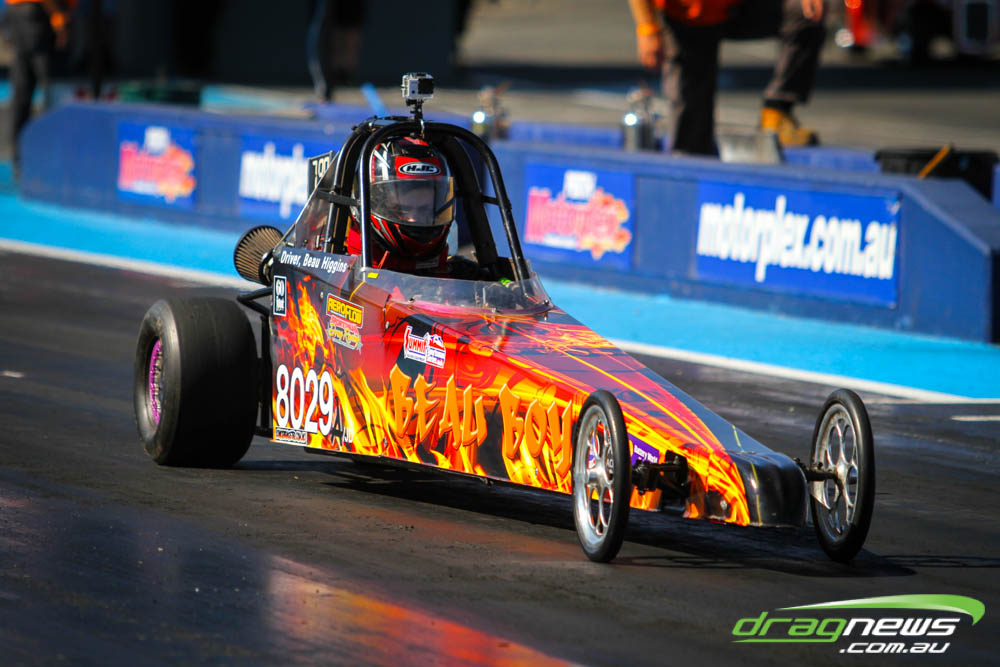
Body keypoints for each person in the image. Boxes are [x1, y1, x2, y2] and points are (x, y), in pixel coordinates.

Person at [628, 0, 825, 156]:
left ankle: (777, 112)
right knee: (691, 134)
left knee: (804, 12)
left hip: (737, 7)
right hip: (688, 18)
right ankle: (689, 172)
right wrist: (648, 28)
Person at [348, 136, 457, 275]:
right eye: (402, 210)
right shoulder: (341, 274)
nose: (413, 219)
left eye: (425, 210)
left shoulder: (452, 272)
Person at [5, 0, 73, 171]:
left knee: (23, 92)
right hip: (39, 15)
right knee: (53, 91)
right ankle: (52, 158)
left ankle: (20, 159)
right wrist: (58, 19)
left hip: (20, 14)